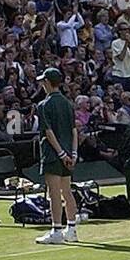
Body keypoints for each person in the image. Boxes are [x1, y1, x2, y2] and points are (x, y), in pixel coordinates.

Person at [35, 68, 80, 244]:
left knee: (54, 193)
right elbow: (74, 131)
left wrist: (61, 154)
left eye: (43, 81)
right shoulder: (68, 104)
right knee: (67, 192)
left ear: (47, 82)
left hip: (53, 155)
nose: (41, 84)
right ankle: (72, 229)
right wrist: (73, 154)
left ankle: (56, 231)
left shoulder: (43, 105)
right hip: (68, 155)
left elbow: (48, 132)